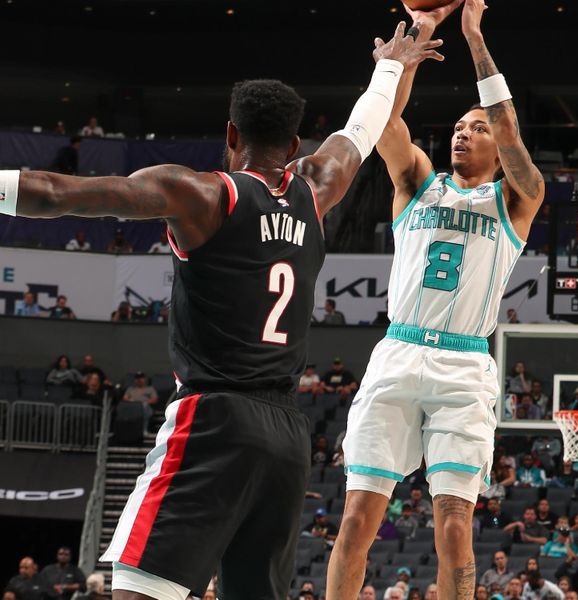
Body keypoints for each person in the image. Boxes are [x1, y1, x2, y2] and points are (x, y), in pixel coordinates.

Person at [1, 24, 441, 599]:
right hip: (286, 437)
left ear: (230, 133)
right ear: (295, 144)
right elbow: (364, 126)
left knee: (136, 591)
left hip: (213, 420)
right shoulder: (316, 189)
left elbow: (56, 193)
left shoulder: (202, 194)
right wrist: (394, 65)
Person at [328, 3, 545, 599]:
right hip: (396, 354)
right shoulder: (415, 182)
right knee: (354, 523)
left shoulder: (517, 199)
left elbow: (509, 127)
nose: (462, 131)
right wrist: (416, 43)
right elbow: (387, 125)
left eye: (476, 128)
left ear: (498, 147)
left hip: (463, 365)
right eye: (457, 125)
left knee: (454, 529)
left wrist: (474, 37)